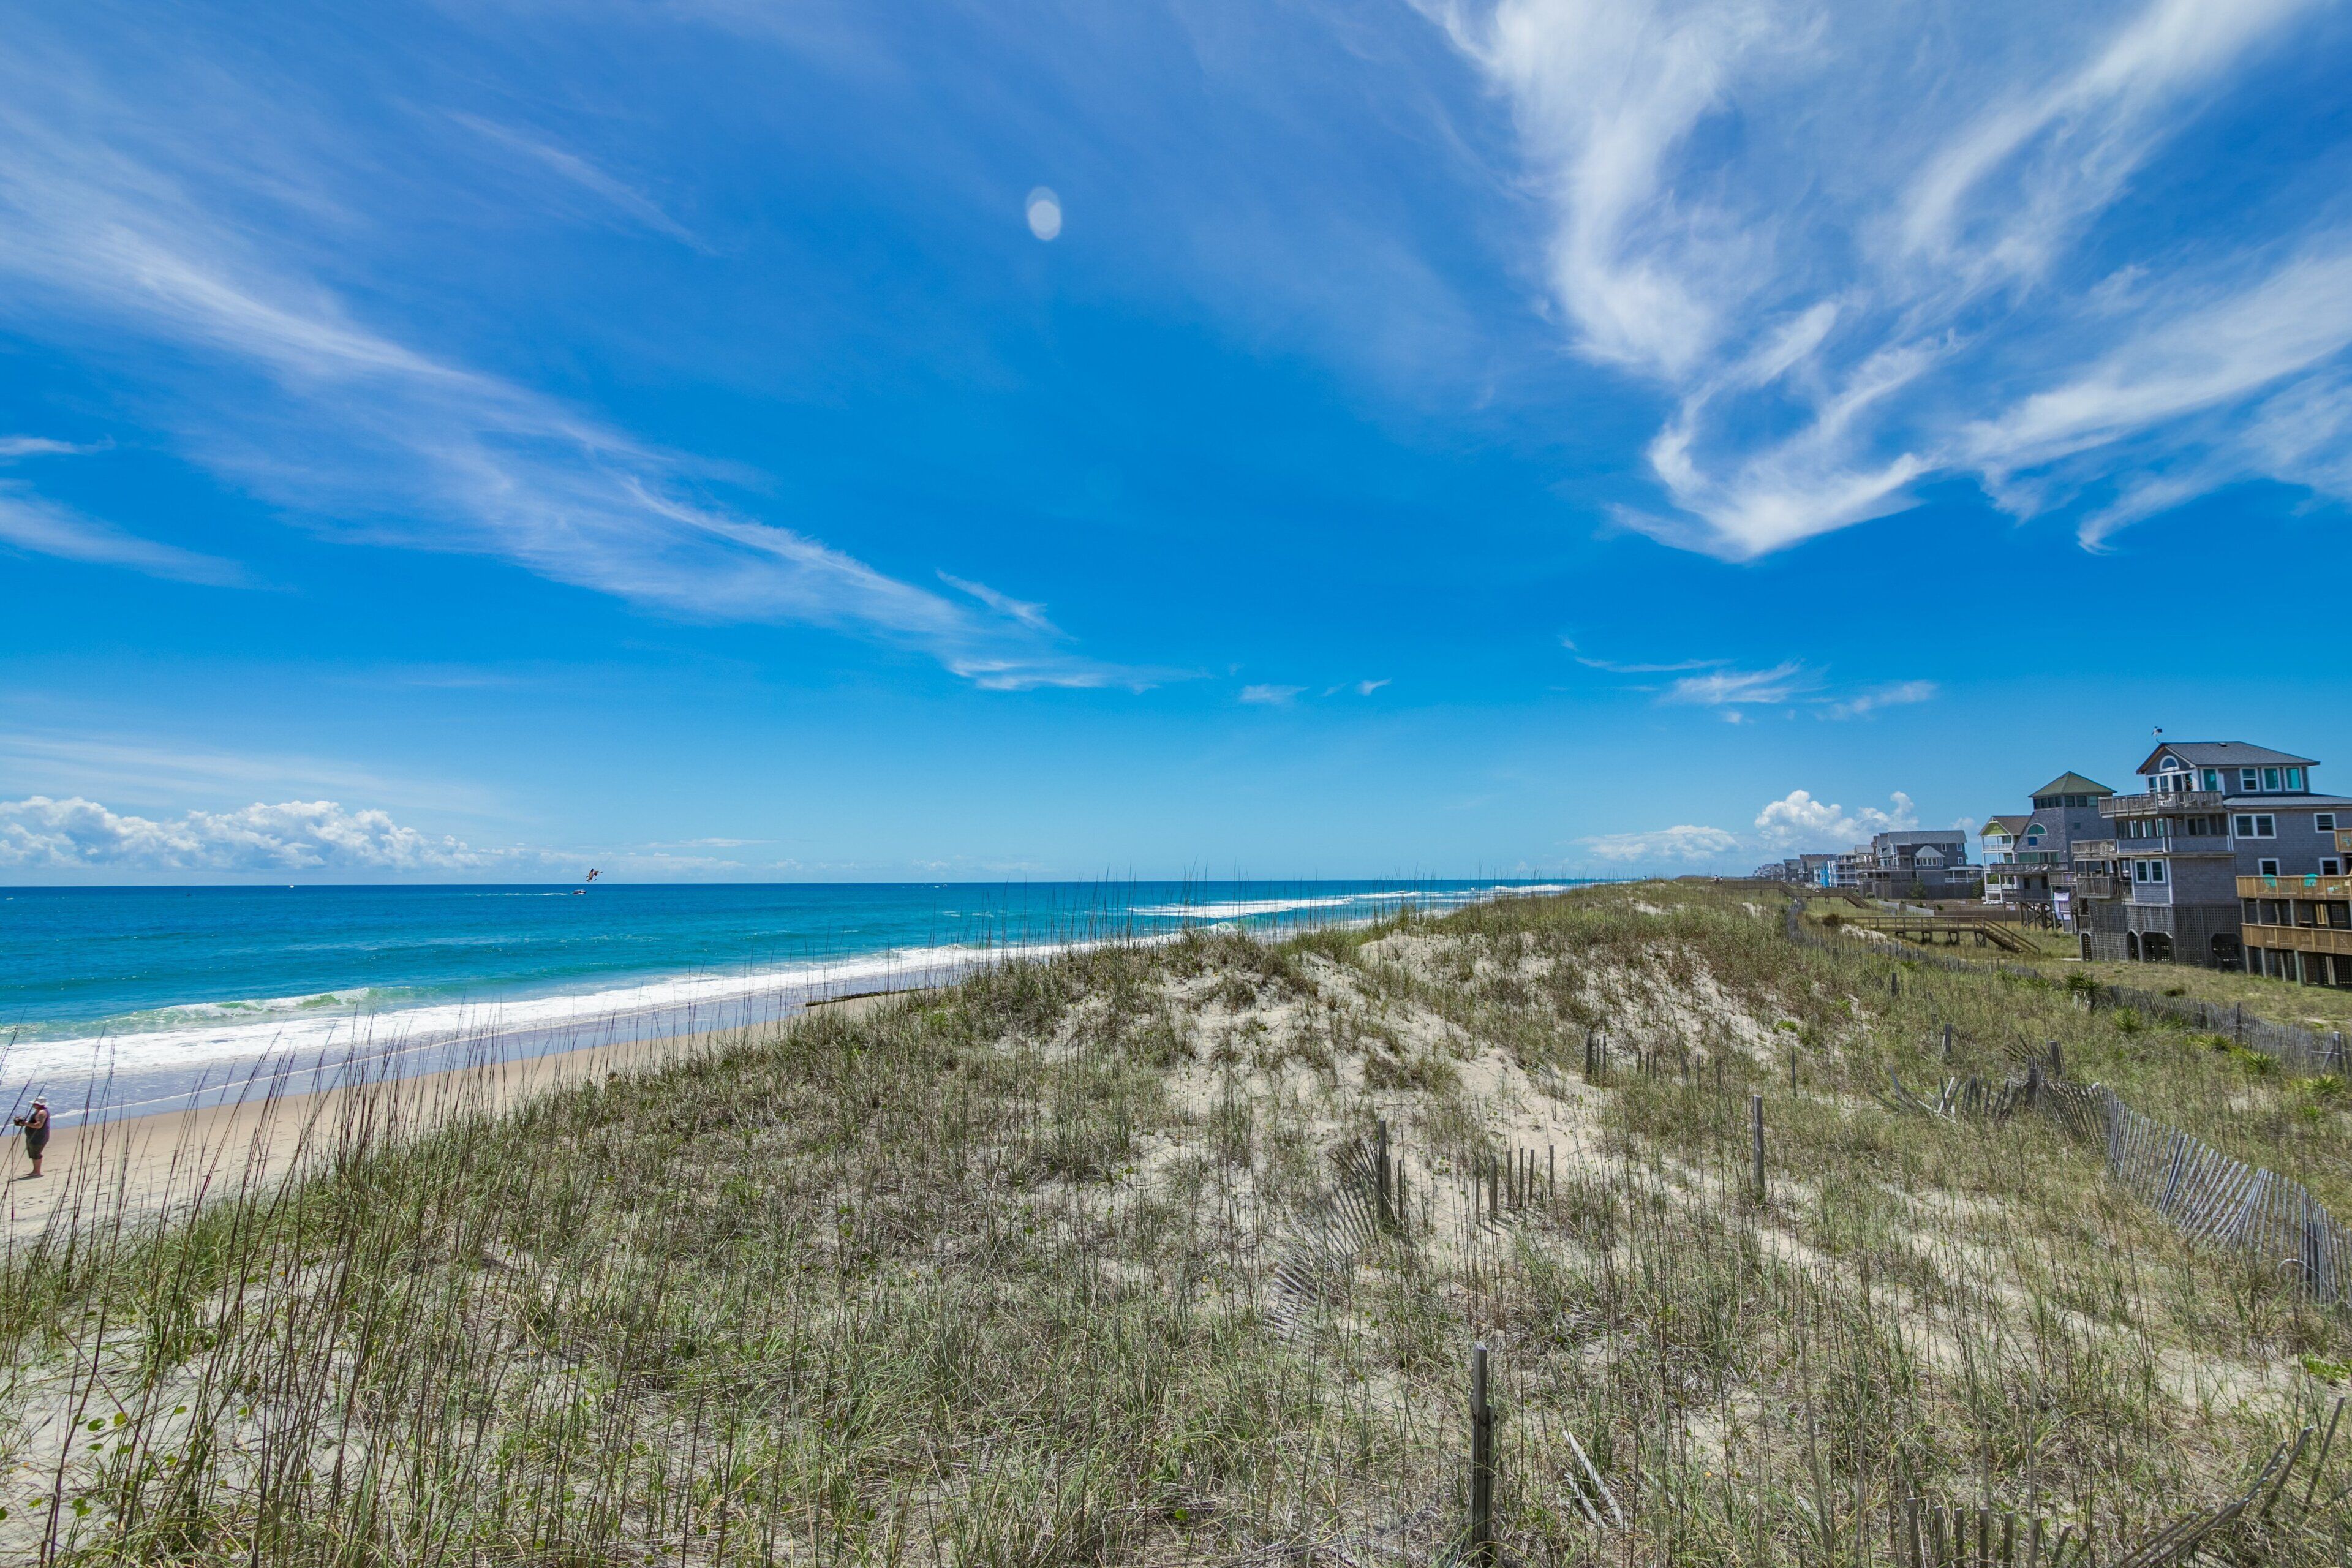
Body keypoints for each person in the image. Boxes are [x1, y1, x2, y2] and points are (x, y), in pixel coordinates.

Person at [12, 1099, 49, 1178]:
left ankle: (37, 1172)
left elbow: (39, 1125)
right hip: (32, 1136)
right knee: (33, 1153)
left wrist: (25, 1123)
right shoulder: (38, 1111)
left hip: (38, 1137)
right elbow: (33, 1122)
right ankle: (35, 1171)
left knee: (36, 1153)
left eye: (35, 1104)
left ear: (40, 1105)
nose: (33, 1105)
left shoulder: (42, 1113)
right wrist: (24, 1123)